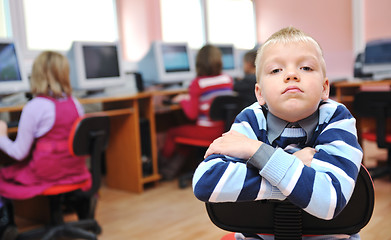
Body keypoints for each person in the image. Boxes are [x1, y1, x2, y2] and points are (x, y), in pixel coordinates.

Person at [193, 27, 363, 240]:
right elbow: (205, 182)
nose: (291, 74)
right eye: (275, 70)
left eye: (306, 67)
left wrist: (255, 150)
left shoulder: (337, 118)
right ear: (260, 93)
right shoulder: (251, 119)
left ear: (324, 88)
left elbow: (328, 200)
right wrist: (294, 166)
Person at [0, 51, 90, 239]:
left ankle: (6, 226)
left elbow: (18, 153)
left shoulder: (35, 106)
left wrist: (1, 135)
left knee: (3, 174)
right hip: (74, 172)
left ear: (37, 74)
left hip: (47, 175)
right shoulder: (76, 103)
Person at [159, 44, 234, 179]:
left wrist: (183, 101)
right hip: (224, 130)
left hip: (206, 132)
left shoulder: (197, 83)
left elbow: (191, 114)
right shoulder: (227, 79)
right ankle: (171, 171)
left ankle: (160, 168)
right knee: (186, 134)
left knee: (172, 132)